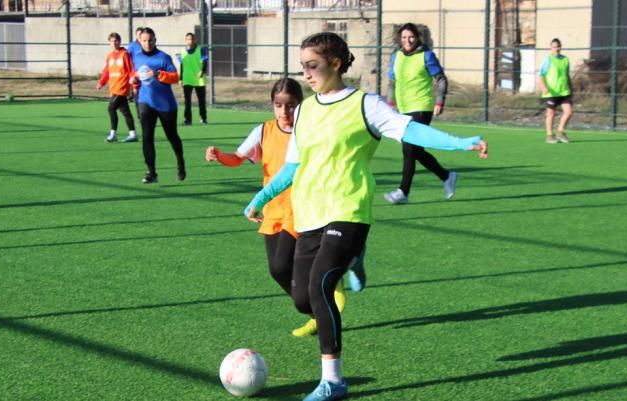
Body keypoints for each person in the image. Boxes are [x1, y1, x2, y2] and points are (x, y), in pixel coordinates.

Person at [243, 32, 488, 401]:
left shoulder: (364, 105)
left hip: (348, 210)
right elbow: (293, 166)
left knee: (321, 285)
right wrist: (261, 197)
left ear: (335, 63)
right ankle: (354, 259)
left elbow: (410, 130)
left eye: (313, 66)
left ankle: (332, 380)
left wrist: (460, 142)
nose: (306, 74)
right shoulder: (306, 109)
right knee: (301, 299)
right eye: (303, 67)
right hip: (309, 214)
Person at [205, 78, 345, 337]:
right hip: (273, 209)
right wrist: (219, 155)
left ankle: (322, 300)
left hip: (301, 208)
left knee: (284, 263)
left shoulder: (308, 130)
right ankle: (318, 310)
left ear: (300, 106)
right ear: (272, 106)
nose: (284, 112)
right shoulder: (263, 131)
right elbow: (238, 158)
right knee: (277, 270)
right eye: (279, 106)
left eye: (291, 106)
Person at [384, 22, 456, 204]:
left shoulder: (426, 56)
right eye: (404, 38)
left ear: (417, 38)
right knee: (416, 151)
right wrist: (390, 101)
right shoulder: (396, 56)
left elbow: (440, 79)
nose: (407, 41)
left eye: (411, 37)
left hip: (422, 107)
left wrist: (440, 100)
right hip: (403, 108)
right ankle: (446, 176)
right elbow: (392, 81)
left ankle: (403, 192)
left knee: (408, 149)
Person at [129, 27, 186, 184]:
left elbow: (175, 77)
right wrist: (133, 80)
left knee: (171, 136)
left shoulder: (163, 58)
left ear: (155, 40)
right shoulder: (137, 57)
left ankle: (180, 163)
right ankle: (151, 172)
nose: (147, 43)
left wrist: (158, 74)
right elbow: (136, 73)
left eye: (150, 40)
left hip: (165, 104)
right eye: (144, 41)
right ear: (140, 41)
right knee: (147, 137)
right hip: (145, 102)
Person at [97, 32, 138, 143]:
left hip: (121, 87)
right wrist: (102, 82)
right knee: (125, 112)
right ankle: (133, 134)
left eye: (116, 41)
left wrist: (134, 84)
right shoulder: (109, 56)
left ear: (120, 41)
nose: (114, 43)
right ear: (109, 42)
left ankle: (113, 134)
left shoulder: (124, 54)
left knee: (111, 108)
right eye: (111, 41)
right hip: (113, 87)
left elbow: (131, 70)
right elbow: (107, 71)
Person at [538, 38, 573, 144]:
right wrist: (543, 87)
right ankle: (549, 135)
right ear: (550, 48)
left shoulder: (565, 59)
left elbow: (567, 75)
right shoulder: (548, 59)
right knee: (551, 113)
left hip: (563, 91)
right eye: (553, 47)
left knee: (569, 112)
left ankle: (560, 131)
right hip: (551, 92)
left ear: (560, 47)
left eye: (557, 46)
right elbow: (541, 75)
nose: (555, 49)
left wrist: (570, 87)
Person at [179, 32, 208, 125]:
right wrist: (181, 79)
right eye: (188, 39)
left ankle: (203, 118)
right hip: (187, 79)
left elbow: (205, 61)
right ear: (185, 40)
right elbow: (181, 66)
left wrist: (202, 71)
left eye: (192, 39)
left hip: (199, 79)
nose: (190, 41)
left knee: (201, 100)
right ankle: (188, 119)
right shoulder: (182, 52)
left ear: (195, 40)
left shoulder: (200, 50)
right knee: (187, 101)